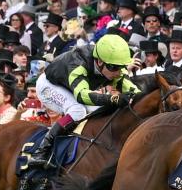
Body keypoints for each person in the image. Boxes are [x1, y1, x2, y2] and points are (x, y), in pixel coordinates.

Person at [29, 34, 139, 168]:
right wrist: (113, 98)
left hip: (71, 87)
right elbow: (81, 95)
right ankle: (41, 151)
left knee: (101, 111)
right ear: (99, 61)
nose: (118, 72)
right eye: (114, 68)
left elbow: (134, 91)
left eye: (121, 67)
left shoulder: (112, 65)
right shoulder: (78, 63)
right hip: (50, 85)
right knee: (77, 111)